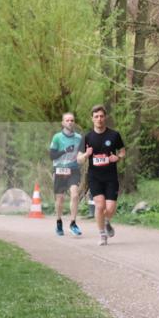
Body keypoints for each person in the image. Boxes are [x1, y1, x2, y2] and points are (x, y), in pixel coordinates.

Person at [77, 105, 125, 246]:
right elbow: (79, 158)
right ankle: (102, 235)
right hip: (95, 177)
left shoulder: (114, 135)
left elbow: (122, 151)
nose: (99, 119)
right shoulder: (87, 137)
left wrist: (118, 158)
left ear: (105, 118)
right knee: (100, 205)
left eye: (101, 116)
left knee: (110, 209)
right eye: (96, 116)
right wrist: (86, 154)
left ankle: (106, 221)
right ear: (92, 119)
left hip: (111, 177)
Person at [50, 112, 83, 237]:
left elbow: (82, 154)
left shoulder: (79, 138)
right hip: (59, 170)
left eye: (72, 120)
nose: (70, 122)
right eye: (67, 120)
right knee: (60, 199)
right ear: (63, 123)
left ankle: (73, 223)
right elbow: (52, 156)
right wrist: (65, 150)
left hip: (73, 169)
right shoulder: (57, 137)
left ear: (74, 122)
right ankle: (59, 222)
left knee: (75, 195)